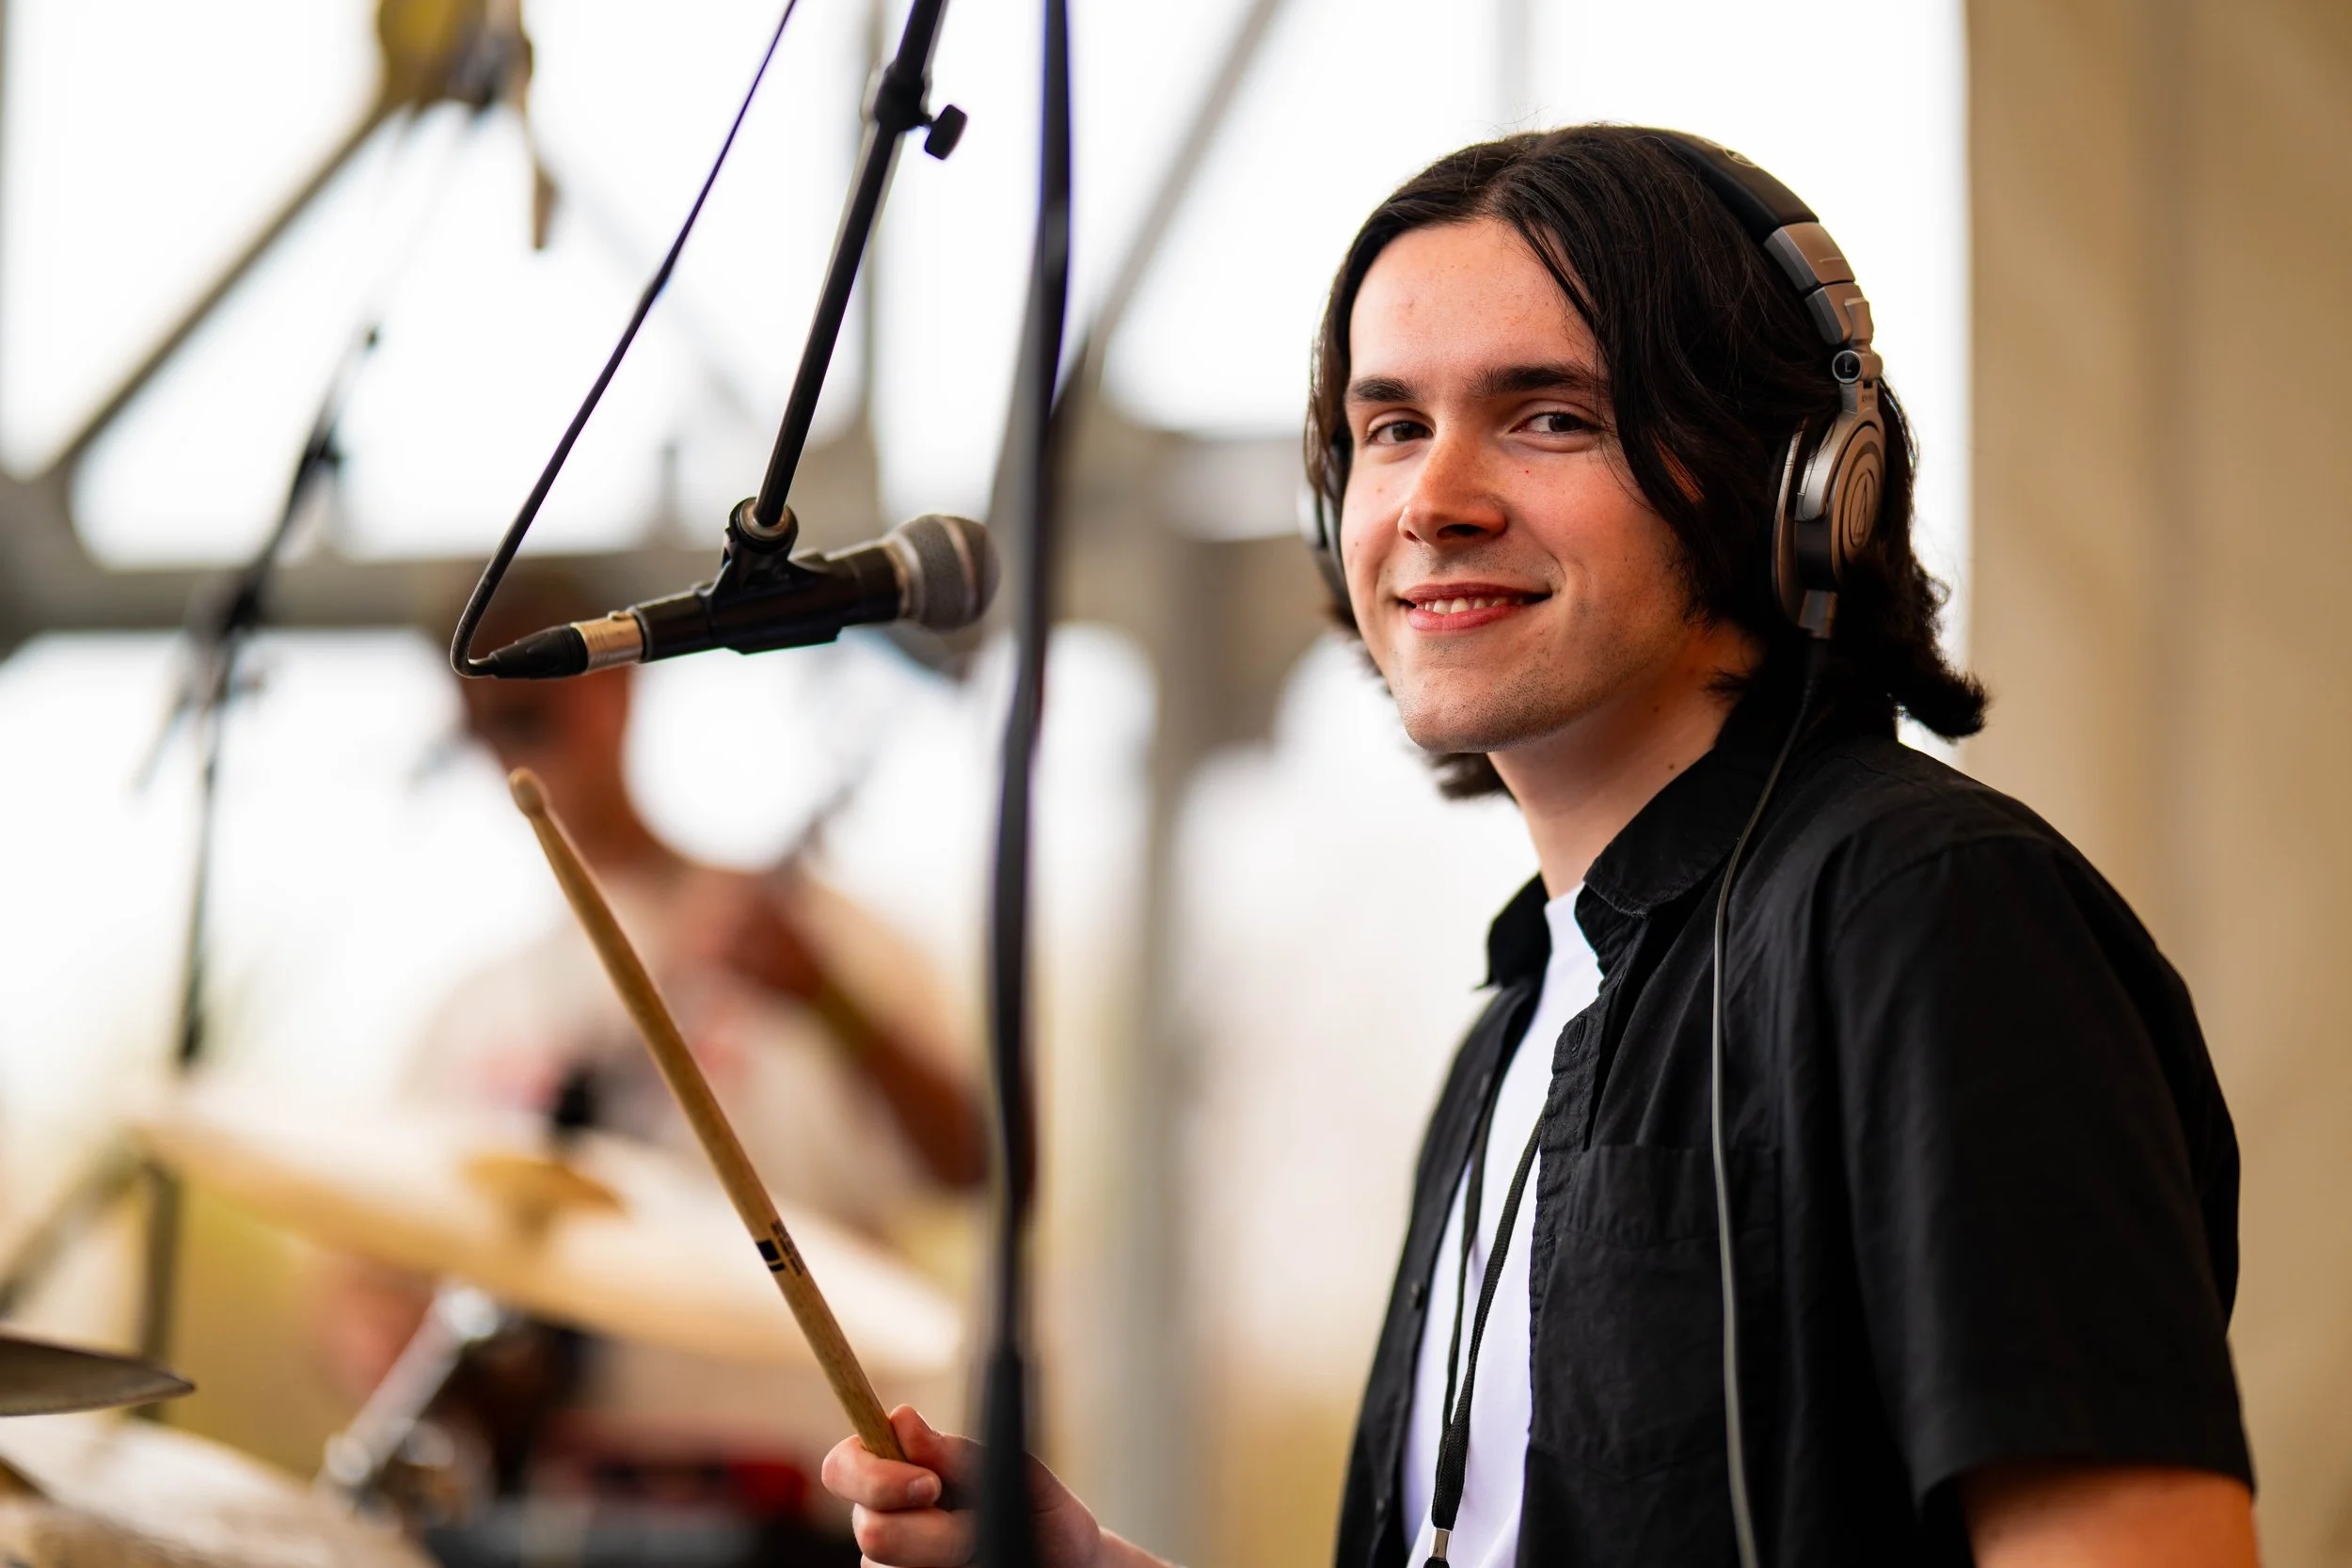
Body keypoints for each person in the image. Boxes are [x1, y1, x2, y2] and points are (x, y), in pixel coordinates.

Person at [820, 126, 2258, 1566]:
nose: (1434, 500)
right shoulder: (1516, 1025)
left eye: (1547, 416)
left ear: (1796, 486)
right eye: (1389, 428)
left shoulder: (1928, 912)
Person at [322, 567, 987, 1564]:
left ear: (617, 687)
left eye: (536, 704)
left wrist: (829, 1002)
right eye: (489, 717)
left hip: (794, 1509)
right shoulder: (472, 1010)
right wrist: (423, 1372)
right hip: (542, 1515)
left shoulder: (819, 935)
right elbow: (360, 1280)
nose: (512, 735)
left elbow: (975, 1163)